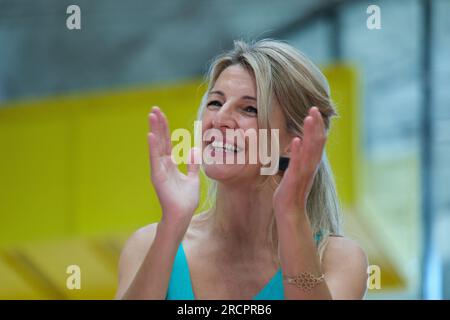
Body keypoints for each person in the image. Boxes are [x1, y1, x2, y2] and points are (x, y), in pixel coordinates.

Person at [115, 39, 368, 300]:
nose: (220, 119)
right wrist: (172, 225)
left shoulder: (338, 261)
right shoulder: (148, 245)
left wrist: (292, 214)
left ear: (295, 143)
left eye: (249, 108)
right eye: (215, 102)